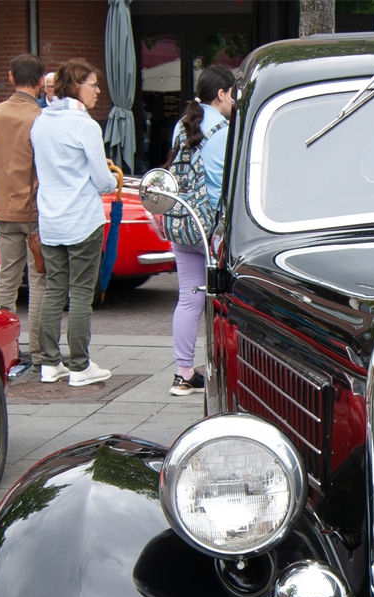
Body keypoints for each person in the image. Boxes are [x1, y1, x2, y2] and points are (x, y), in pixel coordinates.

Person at [31, 58, 116, 388]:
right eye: (93, 84)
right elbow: (102, 180)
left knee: (54, 290)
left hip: (50, 218)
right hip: (81, 218)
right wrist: (108, 178)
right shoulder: (85, 125)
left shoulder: (41, 122)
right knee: (80, 294)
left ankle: (49, 363)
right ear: (76, 87)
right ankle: (80, 366)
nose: (97, 91)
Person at [164, 64, 234, 396]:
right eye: (233, 94)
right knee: (221, 299)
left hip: (183, 223)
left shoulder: (182, 125)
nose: (234, 101)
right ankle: (223, 367)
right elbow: (225, 185)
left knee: (190, 297)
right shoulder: (223, 130)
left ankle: (183, 373)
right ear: (221, 94)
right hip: (211, 232)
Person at [0, 53, 46, 373]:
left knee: (6, 279)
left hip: (3, 208)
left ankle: (3, 349)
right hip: (34, 210)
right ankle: (38, 351)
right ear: (40, 81)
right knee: (39, 280)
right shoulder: (40, 117)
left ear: (10, 77)